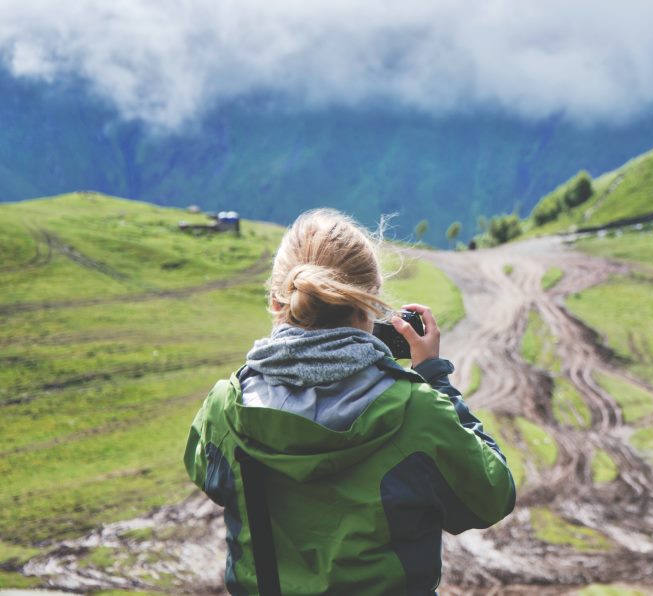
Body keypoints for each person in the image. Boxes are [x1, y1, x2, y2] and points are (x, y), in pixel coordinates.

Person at [184, 209, 515, 595]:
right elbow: (491, 497)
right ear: (370, 305)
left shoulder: (226, 408)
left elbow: (205, 473)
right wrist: (436, 380)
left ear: (278, 303)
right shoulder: (416, 410)